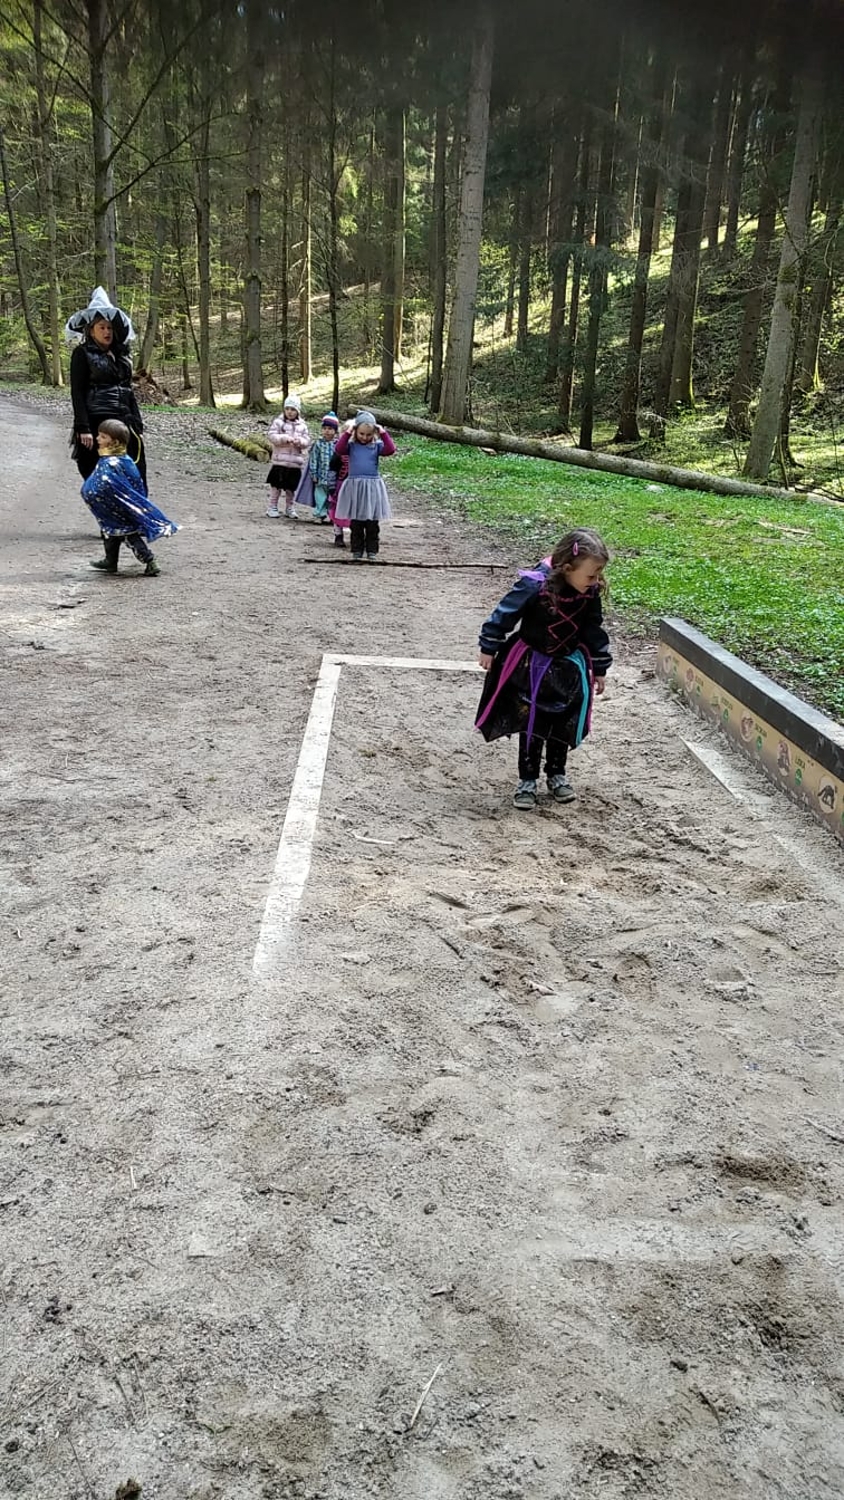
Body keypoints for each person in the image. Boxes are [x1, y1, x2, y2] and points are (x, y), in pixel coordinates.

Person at [475, 527, 612, 809]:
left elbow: (593, 629)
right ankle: (527, 780)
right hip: (532, 665)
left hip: (568, 667)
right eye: (591, 575)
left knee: (563, 719)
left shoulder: (589, 592)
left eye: (599, 574)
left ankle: (556, 774)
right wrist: (489, 644)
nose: (596, 580)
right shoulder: (535, 585)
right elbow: (506, 612)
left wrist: (599, 666)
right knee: (532, 719)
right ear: (567, 568)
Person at [66, 286, 147, 489]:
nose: (107, 332)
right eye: (101, 327)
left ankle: (133, 509)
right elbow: (77, 392)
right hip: (97, 423)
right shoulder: (82, 354)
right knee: (100, 479)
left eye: (110, 328)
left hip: (124, 422)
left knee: (135, 474)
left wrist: (137, 424)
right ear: (91, 330)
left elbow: (128, 391)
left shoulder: (122, 355)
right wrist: (83, 428)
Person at [81, 419, 179, 577]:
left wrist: (95, 492)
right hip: (112, 509)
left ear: (114, 442)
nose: (98, 438)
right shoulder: (120, 459)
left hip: (118, 507)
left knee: (128, 535)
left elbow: (112, 485)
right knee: (110, 533)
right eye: (99, 435)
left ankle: (150, 560)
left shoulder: (114, 462)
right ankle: (110, 561)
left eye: (103, 436)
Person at [332, 411, 396, 562]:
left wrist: (383, 433)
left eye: (369, 434)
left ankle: (372, 550)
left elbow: (390, 449)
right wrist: (348, 433)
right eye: (361, 433)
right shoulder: (351, 446)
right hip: (355, 488)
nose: (365, 437)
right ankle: (357, 549)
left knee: (372, 522)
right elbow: (339, 449)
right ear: (356, 431)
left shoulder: (376, 446)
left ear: (374, 433)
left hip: (372, 488)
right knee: (356, 522)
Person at [266, 395, 310, 518]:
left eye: (293, 409)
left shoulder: (302, 425)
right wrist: (284, 438)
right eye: (287, 409)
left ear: (298, 411)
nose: (290, 412)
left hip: (295, 463)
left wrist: (300, 442)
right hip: (280, 461)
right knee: (276, 486)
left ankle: (290, 507)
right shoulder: (279, 422)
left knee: (291, 488)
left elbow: (307, 441)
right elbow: (272, 436)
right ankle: (272, 506)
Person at [294, 412, 339, 523]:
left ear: (335, 431)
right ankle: (319, 514)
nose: (327, 431)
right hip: (321, 476)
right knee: (320, 496)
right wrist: (313, 474)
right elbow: (313, 460)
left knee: (332, 498)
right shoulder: (318, 444)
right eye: (324, 428)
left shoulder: (337, 445)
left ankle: (332, 515)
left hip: (333, 478)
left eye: (330, 428)